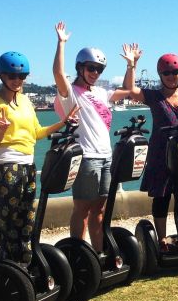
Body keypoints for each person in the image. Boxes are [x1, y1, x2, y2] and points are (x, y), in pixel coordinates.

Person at [0, 51, 78, 263]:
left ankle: (25, 262)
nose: (17, 81)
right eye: (11, 76)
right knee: (7, 220)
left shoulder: (25, 101)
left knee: (26, 218)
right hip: (7, 165)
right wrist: (2, 130)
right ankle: (7, 264)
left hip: (27, 164)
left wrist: (63, 121)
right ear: (1, 76)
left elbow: (36, 132)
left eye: (22, 77)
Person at [53, 21, 132, 252]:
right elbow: (58, 73)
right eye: (91, 68)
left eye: (99, 69)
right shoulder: (70, 94)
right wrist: (61, 43)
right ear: (80, 68)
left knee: (99, 210)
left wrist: (131, 65)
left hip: (106, 156)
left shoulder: (100, 92)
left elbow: (129, 90)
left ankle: (97, 255)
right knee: (82, 209)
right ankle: (78, 254)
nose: (95, 73)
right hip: (86, 157)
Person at [122, 46, 178, 250]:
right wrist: (131, 64)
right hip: (160, 156)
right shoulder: (154, 96)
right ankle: (161, 240)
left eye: (175, 72)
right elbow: (129, 89)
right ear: (160, 74)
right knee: (161, 198)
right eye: (166, 73)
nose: (171, 76)